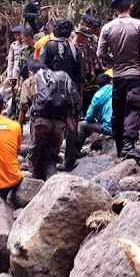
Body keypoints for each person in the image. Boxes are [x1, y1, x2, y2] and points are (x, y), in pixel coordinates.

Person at [98, 0, 140, 162]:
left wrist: (115, 62)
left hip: (118, 75)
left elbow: (101, 53)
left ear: (114, 10)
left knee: (118, 110)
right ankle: (129, 146)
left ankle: (120, 147)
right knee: (134, 108)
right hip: (135, 73)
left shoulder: (107, 28)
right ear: (131, 7)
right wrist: (139, 60)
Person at [39, 17, 86, 170]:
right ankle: (69, 161)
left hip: (51, 94)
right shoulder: (76, 50)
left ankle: (48, 161)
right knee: (72, 127)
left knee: (51, 125)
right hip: (70, 95)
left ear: (55, 31)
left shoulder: (48, 46)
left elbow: (41, 70)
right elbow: (81, 78)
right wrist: (79, 99)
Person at [19, 61, 79, 180]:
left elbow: (23, 106)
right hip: (59, 124)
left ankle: (37, 184)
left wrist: (19, 126)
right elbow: (75, 101)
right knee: (52, 156)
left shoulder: (32, 80)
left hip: (40, 122)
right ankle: (51, 181)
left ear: (30, 72)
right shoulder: (59, 81)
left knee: (37, 154)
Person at [76, 73, 113, 156]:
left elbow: (89, 117)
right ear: (110, 82)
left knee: (82, 125)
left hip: (111, 128)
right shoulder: (119, 89)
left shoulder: (98, 95)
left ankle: (76, 151)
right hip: (127, 127)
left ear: (98, 86)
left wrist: (94, 120)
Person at [75, 26, 97, 114]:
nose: (87, 39)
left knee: (88, 95)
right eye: (85, 36)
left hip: (86, 72)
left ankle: (86, 113)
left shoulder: (86, 44)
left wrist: (92, 70)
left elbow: (89, 58)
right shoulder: (73, 46)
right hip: (78, 74)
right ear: (80, 35)